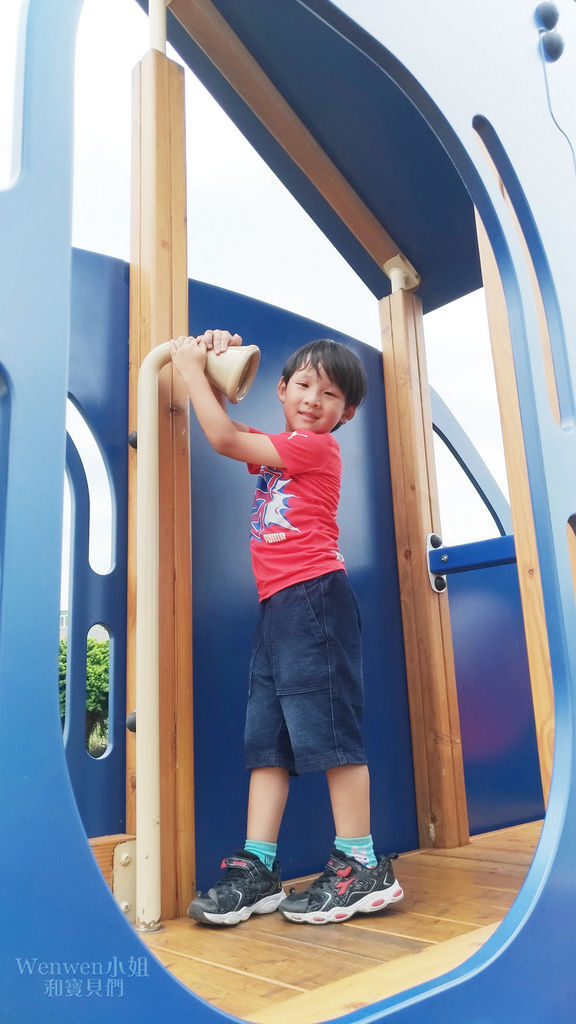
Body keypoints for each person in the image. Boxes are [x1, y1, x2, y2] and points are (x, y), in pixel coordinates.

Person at [170, 328, 404, 926]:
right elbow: (230, 428)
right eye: (302, 384)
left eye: (329, 395)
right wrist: (216, 360)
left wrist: (190, 367)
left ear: (345, 413)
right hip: (279, 607)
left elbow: (221, 437)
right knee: (266, 742)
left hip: (314, 599)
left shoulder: (316, 450)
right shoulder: (282, 448)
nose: (312, 398)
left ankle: (361, 865)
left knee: (330, 730)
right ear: (280, 389)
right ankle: (259, 868)